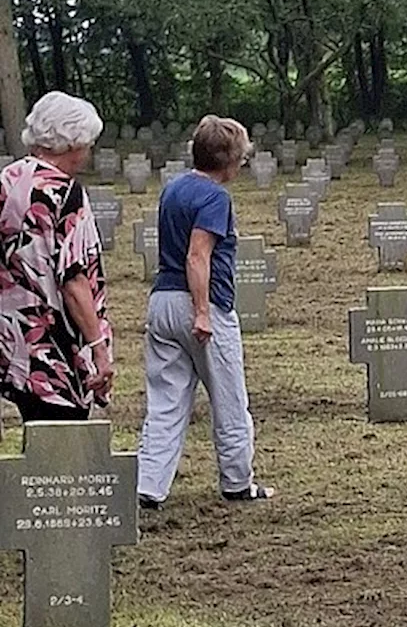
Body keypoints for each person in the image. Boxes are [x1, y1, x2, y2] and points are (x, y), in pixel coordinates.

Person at [136, 115, 275, 509]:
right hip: (200, 304)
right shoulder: (215, 197)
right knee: (229, 399)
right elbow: (198, 256)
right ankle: (237, 483)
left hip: (161, 302)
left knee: (165, 401)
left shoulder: (174, 187)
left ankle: (149, 486)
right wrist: (202, 312)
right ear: (229, 161)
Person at [0, 91, 114, 422]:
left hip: (11, 337)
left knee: (35, 430)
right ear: (72, 142)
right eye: (88, 142)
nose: (89, 151)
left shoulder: (7, 181)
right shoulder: (66, 194)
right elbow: (74, 280)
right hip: (54, 341)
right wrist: (98, 347)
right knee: (61, 453)